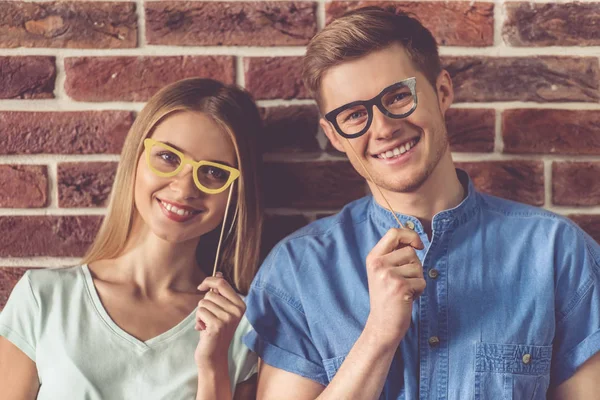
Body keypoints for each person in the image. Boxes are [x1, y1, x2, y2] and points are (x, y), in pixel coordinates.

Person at [243, 7, 600, 400]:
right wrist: (379, 335)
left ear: (442, 92)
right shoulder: (296, 273)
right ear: (334, 135)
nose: (382, 128)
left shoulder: (558, 254)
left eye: (398, 96)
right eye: (353, 115)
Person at [0, 78, 263, 399]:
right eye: (168, 157)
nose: (184, 188)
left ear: (237, 194)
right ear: (136, 157)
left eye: (214, 172)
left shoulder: (240, 328)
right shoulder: (43, 299)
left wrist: (213, 366)